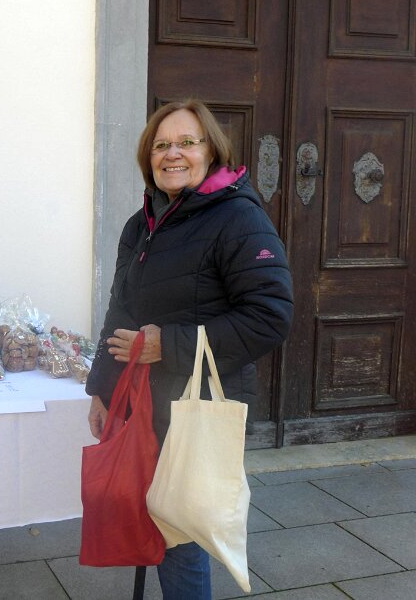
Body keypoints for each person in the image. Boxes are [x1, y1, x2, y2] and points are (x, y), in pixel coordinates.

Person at [84, 98, 293, 599]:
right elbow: (120, 311)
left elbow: (270, 315)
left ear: (211, 152)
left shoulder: (237, 217)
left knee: (180, 532)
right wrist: (103, 389)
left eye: (186, 143)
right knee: (152, 517)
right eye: (161, 145)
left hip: (197, 404)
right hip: (145, 400)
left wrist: (167, 345)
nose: (172, 154)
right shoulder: (141, 223)